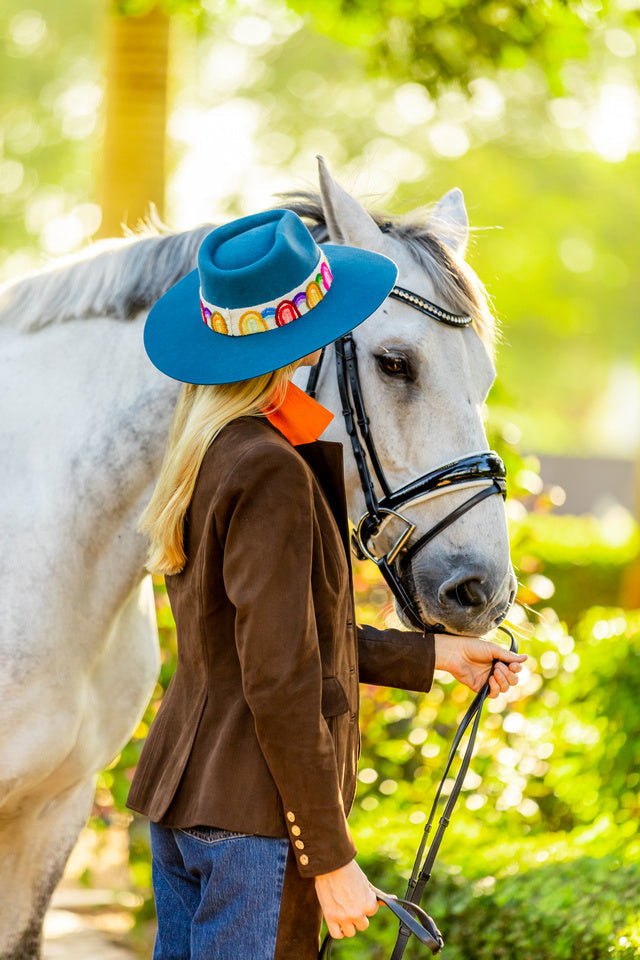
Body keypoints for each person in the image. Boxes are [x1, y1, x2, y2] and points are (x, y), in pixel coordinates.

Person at [126, 208, 526, 960]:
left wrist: (432, 656)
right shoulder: (273, 468)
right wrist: (329, 857)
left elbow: (270, 637)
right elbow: (280, 679)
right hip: (252, 822)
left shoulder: (214, 449)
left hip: (188, 804)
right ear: (310, 336)